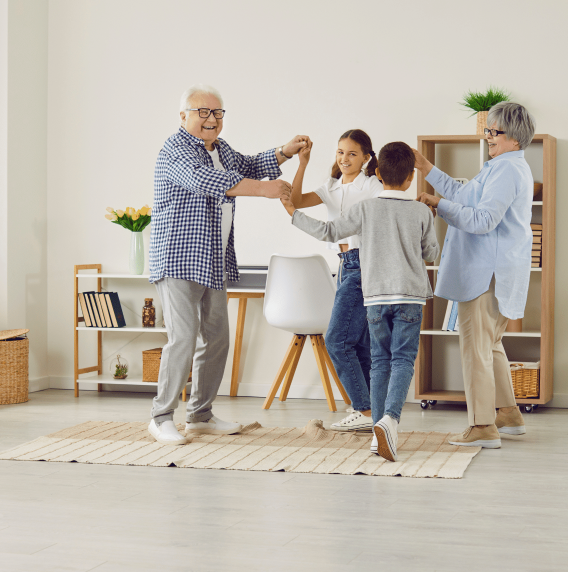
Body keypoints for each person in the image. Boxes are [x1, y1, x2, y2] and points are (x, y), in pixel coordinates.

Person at [147, 84, 308, 445]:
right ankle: (160, 417)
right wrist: (262, 190)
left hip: (211, 260)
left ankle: (200, 415)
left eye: (217, 113)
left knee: (217, 339)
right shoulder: (175, 151)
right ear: (183, 115)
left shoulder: (219, 149)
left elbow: (248, 165)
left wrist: (284, 151)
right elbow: (206, 181)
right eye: (202, 112)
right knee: (184, 337)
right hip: (177, 259)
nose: (211, 119)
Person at [281, 142, 439, 461]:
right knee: (402, 360)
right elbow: (431, 254)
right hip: (409, 297)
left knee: (380, 360)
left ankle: (376, 434)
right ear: (410, 177)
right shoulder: (420, 210)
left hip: (375, 296)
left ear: (378, 172)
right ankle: (389, 421)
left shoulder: (365, 209)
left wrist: (293, 214)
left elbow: (328, 231)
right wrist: (429, 215)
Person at [414, 101, 536, 449]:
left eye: (494, 132)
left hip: (485, 275)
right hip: (495, 273)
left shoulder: (506, 171)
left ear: (514, 138)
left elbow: (482, 221)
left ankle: (482, 426)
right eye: (487, 131)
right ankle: (508, 414)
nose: (488, 137)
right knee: (491, 345)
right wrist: (427, 168)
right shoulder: (502, 167)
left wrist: (437, 206)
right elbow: (464, 194)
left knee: (475, 350)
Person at [289, 129, 383, 432]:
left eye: (353, 153)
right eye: (340, 152)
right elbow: (296, 200)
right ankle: (373, 412)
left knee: (337, 340)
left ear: (366, 157)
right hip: (344, 265)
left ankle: (364, 409)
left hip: (363, 264)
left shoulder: (372, 186)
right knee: (356, 343)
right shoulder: (331, 187)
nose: (345, 158)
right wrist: (302, 163)